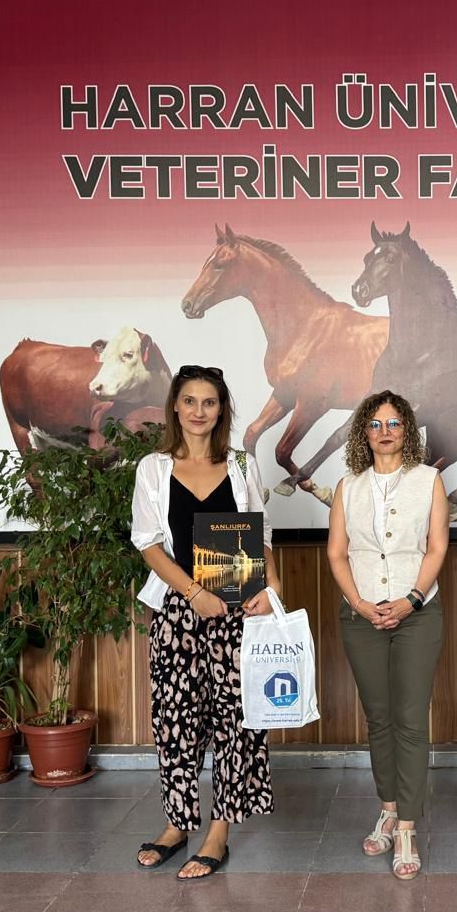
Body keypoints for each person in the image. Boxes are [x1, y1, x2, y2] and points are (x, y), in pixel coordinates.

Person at [130, 364, 278, 880]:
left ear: (221, 410)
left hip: (238, 610)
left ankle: (218, 833)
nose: (199, 411)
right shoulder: (153, 468)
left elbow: (261, 535)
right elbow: (148, 544)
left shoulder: (240, 464)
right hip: (179, 609)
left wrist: (271, 587)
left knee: (236, 721)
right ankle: (176, 824)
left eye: (209, 402)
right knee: (176, 720)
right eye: (190, 401)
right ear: (175, 406)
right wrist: (194, 594)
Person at [326, 390, 450, 880]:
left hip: (418, 614)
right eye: (375, 424)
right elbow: (337, 553)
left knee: (410, 720)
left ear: (407, 431)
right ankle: (389, 809)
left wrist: (411, 599)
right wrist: (360, 605)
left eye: (394, 423)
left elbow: (437, 548)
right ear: (364, 432)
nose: (384, 432)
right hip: (361, 617)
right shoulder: (348, 486)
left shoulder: (429, 480)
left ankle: (407, 829)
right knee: (378, 719)